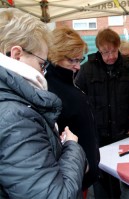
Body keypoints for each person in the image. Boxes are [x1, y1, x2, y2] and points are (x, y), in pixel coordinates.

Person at [0, 8, 86, 198]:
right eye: (42, 64)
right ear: (16, 55)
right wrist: (72, 147)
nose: (43, 73)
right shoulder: (15, 116)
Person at [75, 28, 129, 198]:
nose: (110, 56)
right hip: (96, 131)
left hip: (121, 129)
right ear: (98, 50)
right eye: (105, 52)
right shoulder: (87, 69)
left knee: (119, 169)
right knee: (101, 174)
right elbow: (78, 98)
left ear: (118, 46)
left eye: (113, 51)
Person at [45, 27, 100, 193]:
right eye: (72, 61)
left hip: (80, 174)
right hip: (72, 178)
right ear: (56, 56)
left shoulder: (67, 82)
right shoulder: (50, 90)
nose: (77, 66)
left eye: (80, 60)